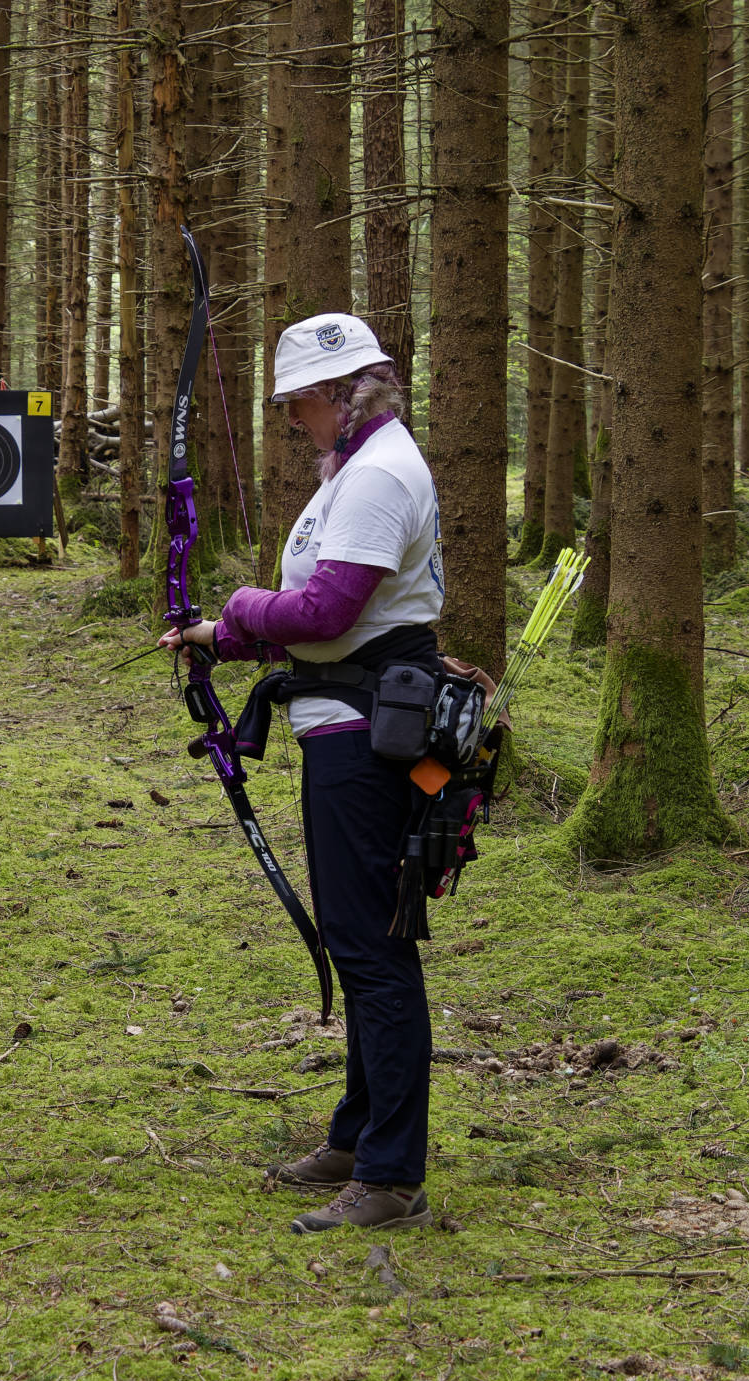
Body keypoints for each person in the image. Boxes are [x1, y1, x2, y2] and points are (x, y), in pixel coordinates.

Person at [160, 312, 454, 1235]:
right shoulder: (359, 467)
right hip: (350, 718)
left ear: (341, 393)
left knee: (371, 946)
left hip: (367, 734)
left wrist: (242, 607)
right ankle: (358, 1135)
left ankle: (392, 1173)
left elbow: (327, 612)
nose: (292, 419)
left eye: (298, 403)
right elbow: (333, 621)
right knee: (357, 937)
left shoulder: (376, 474)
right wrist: (221, 636)